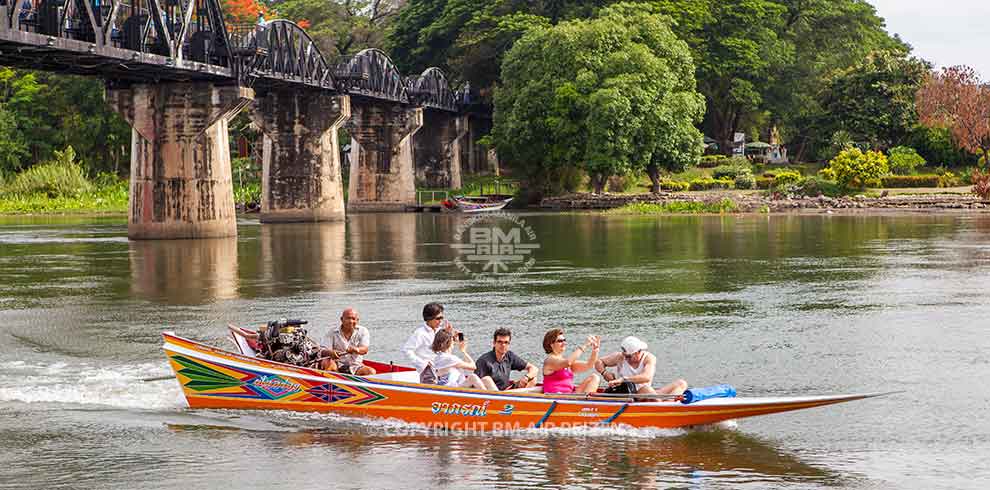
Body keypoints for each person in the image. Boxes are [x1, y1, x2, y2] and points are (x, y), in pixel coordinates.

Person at [595, 336, 687, 396]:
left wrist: (623, 379)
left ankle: (669, 404)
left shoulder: (649, 358)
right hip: (627, 394)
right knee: (647, 390)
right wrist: (604, 373)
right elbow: (598, 362)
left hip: (646, 392)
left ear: (638, 352)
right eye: (625, 355)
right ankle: (666, 405)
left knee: (682, 383)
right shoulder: (620, 357)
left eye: (629, 356)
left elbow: (646, 377)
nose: (626, 358)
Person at [541, 329, 600, 394]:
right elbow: (568, 362)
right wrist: (585, 345)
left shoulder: (564, 361)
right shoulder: (550, 360)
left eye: (564, 340)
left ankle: (585, 402)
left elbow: (589, 365)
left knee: (594, 377)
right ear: (551, 344)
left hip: (569, 394)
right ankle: (586, 402)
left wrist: (595, 350)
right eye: (560, 341)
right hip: (556, 396)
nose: (564, 343)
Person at [320, 308, 376, 376]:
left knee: (371, 372)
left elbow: (365, 349)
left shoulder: (363, 331)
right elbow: (322, 350)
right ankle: (334, 383)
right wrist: (330, 353)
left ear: (357, 320)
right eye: (348, 318)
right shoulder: (332, 332)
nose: (351, 321)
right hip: (337, 364)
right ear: (341, 319)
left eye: (353, 319)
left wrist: (356, 349)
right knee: (328, 363)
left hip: (355, 366)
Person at [402, 302, 454, 373]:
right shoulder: (420, 333)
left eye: (442, 318)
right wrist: (423, 364)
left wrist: (449, 334)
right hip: (427, 372)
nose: (441, 321)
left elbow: (445, 349)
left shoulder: (440, 331)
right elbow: (406, 350)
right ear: (429, 318)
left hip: (441, 368)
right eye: (438, 318)